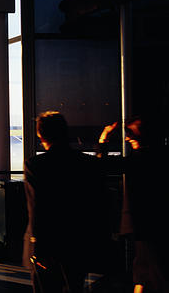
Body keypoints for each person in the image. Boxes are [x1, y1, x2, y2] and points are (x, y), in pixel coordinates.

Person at [24, 111, 111, 293]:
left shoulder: (35, 165)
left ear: (41, 135)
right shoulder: (86, 163)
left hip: (48, 246)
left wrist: (37, 245)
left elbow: (37, 208)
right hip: (77, 243)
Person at [97, 116, 168, 293]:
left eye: (130, 134)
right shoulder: (156, 156)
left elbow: (102, 165)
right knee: (147, 272)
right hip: (154, 224)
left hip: (141, 225)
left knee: (146, 273)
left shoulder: (138, 160)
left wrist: (104, 138)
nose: (127, 138)